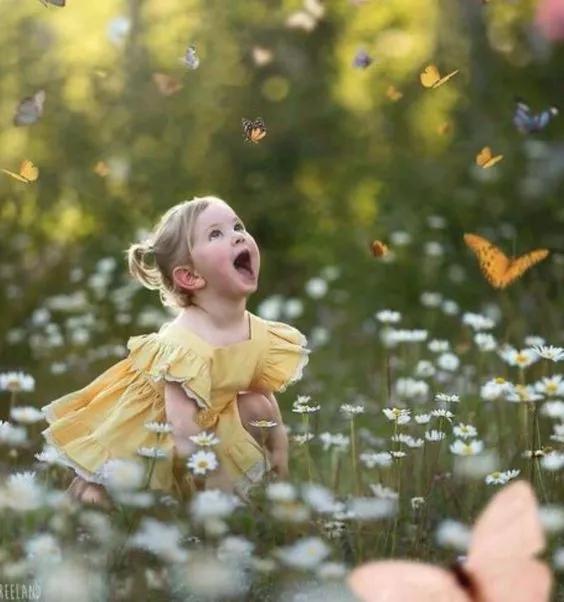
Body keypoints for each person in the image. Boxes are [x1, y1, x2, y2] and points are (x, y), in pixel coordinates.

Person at [40, 195, 310, 508]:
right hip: (151, 434)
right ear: (190, 276)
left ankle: (238, 507)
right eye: (215, 234)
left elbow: (266, 400)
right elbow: (182, 432)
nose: (237, 235)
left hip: (208, 426)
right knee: (101, 496)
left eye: (237, 226)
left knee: (256, 407)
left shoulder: (260, 335)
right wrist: (216, 480)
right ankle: (80, 511)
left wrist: (280, 459)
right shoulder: (182, 347)